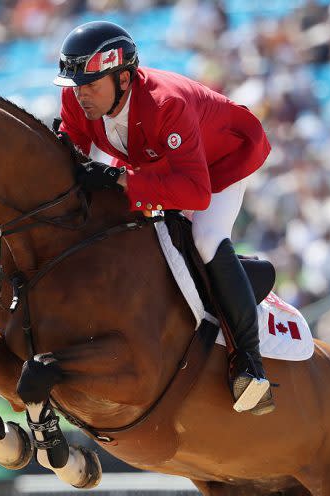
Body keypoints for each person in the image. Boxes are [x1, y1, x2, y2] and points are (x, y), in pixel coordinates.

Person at [54, 21, 274, 414]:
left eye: (91, 84)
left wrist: (119, 177)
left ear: (124, 78)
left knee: (205, 237)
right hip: (152, 159)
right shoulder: (78, 98)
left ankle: (249, 364)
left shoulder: (165, 103)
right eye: (76, 85)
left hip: (217, 163)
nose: (81, 94)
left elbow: (194, 191)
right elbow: (70, 158)